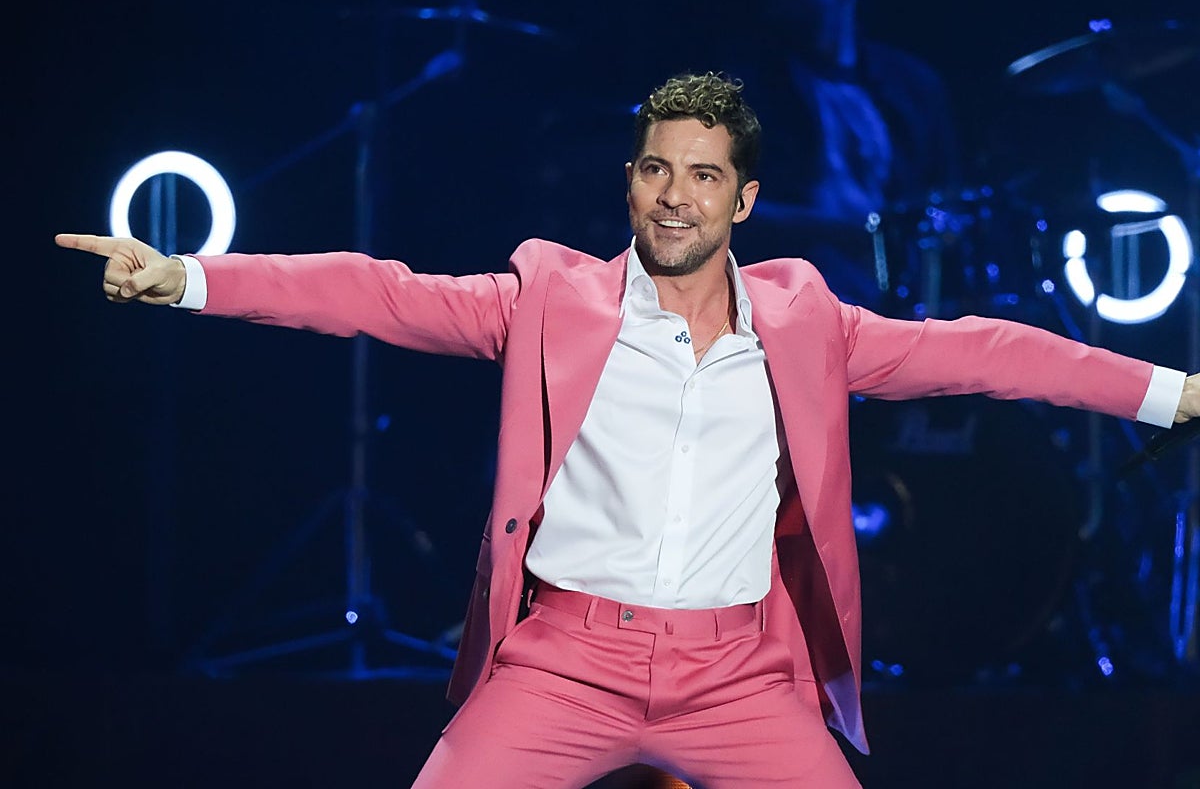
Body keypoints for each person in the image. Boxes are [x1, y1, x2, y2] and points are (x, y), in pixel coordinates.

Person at [57, 72, 1198, 788]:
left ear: (743, 201)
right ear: (631, 181)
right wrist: (188, 278)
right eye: (656, 168)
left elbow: (992, 352)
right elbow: (378, 292)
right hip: (566, 664)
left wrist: (1173, 392)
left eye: (703, 175)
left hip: (741, 677)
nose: (674, 194)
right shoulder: (551, 302)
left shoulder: (809, 325)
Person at [731, 0, 961, 310]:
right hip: (784, 308)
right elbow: (717, 208)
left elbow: (948, 201)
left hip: (901, 309)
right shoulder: (746, 88)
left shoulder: (914, 88)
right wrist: (841, 229)